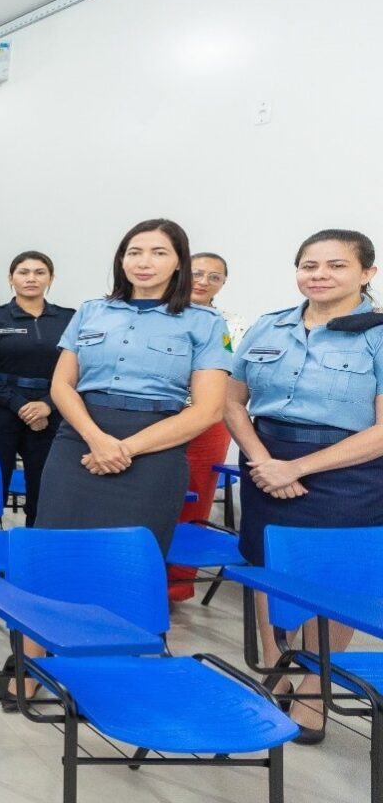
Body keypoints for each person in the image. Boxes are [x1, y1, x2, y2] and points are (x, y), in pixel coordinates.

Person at [225, 229, 383, 743]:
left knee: (333, 583)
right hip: (267, 460)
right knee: (265, 566)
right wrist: (264, 460)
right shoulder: (270, 327)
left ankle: (315, 691)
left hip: (348, 472)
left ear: (367, 273)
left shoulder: (379, 335)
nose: (319, 274)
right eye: (309, 265)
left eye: (336, 265)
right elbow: (232, 402)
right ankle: (276, 676)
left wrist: (298, 469)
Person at [36, 218, 231, 553]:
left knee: (130, 557)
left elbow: (209, 410)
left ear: (179, 262)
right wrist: (97, 440)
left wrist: (124, 449)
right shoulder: (91, 311)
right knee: (57, 548)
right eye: (134, 252)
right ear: (121, 259)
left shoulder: (207, 323)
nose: (143, 262)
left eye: (158, 253)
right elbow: (62, 385)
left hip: (155, 447)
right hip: (79, 440)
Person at [0, 251, 74, 530]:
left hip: (52, 413)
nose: (31, 278)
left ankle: (36, 555)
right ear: (11, 278)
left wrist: (48, 404)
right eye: (23, 272)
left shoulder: (70, 319)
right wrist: (19, 405)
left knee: (46, 491)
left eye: (39, 272)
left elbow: (82, 370)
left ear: (51, 278)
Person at [169, 250, 248, 599]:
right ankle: (136, 574)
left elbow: (233, 373)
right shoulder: (158, 313)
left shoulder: (234, 325)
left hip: (206, 420)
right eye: (197, 273)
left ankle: (179, 581)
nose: (203, 281)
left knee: (197, 495)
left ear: (224, 283)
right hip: (157, 417)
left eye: (213, 277)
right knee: (149, 496)